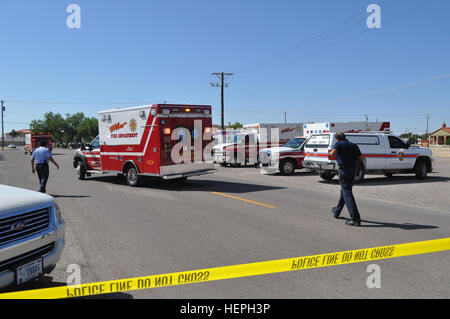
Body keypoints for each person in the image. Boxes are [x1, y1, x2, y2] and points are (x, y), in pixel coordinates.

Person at [328, 132, 363, 226]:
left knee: (347, 192)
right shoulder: (354, 145)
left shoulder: (338, 144)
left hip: (344, 171)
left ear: (337, 139)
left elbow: (332, 154)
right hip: (353, 171)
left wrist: (330, 153)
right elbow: (360, 159)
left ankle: (355, 218)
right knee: (345, 191)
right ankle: (337, 211)